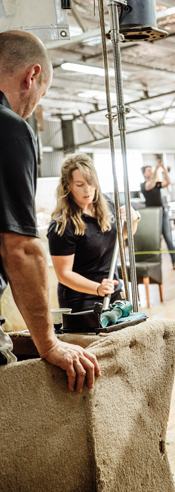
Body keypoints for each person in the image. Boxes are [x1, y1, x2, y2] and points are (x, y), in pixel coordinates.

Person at [0, 30, 99, 391]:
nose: (33, 106)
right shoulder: (8, 126)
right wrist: (48, 343)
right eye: (40, 96)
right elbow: (20, 248)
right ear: (32, 76)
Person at [48, 154, 140, 313]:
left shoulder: (107, 204)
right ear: (68, 186)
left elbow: (124, 235)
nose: (88, 189)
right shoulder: (62, 225)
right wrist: (97, 288)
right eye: (79, 184)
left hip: (112, 289)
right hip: (81, 298)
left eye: (91, 183)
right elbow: (64, 274)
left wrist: (134, 219)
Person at [140, 160, 175, 269]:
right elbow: (149, 186)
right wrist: (156, 169)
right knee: (154, 240)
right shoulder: (143, 185)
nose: (151, 172)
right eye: (149, 171)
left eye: (151, 170)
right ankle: (154, 263)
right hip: (151, 215)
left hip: (162, 213)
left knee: (168, 238)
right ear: (144, 174)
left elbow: (168, 182)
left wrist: (164, 169)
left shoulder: (156, 184)